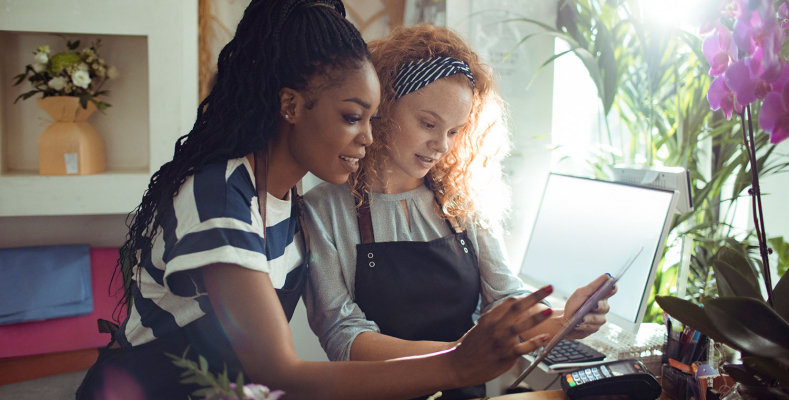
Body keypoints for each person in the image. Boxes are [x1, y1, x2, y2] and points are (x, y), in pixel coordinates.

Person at [76, 2, 555, 400]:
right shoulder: (218, 196)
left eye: (372, 118)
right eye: (352, 117)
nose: (369, 137)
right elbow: (281, 372)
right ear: (290, 106)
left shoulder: (284, 198)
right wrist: (454, 365)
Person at [303, 24, 618, 400]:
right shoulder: (323, 208)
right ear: (383, 107)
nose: (441, 145)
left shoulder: (461, 200)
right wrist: (457, 358)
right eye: (428, 124)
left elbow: (504, 302)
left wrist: (565, 321)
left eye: (455, 131)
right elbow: (344, 338)